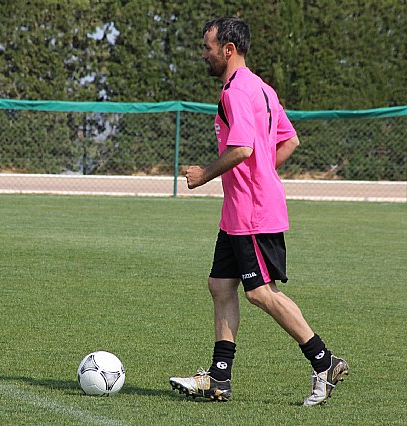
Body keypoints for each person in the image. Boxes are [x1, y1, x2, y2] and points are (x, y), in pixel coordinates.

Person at [169, 17, 348, 406]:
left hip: (251, 212)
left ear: (228, 49)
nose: (205, 54)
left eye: (208, 47)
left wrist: (203, 175)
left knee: (260, 293)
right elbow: (290, 140)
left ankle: (324, 360)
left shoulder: (234, 92)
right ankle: (218, 380)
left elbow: (243, 149)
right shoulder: (263, 89)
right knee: (220, 285)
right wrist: (262, 174)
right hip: (237, 212)